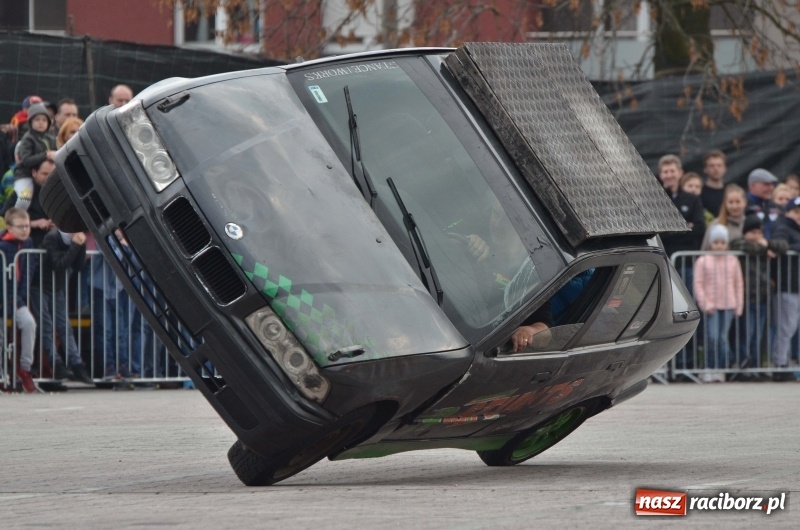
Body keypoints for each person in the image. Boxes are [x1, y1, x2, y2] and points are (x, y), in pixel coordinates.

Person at [29, 228, 94, 385]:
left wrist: (81, 245)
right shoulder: (52, 238)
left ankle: (77, 365)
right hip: (40, 285)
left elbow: (77, 266)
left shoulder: (75, 239)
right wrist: (75, 246)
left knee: (65, 327)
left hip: (56, 287)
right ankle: (56, 364)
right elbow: (59, 264)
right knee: (46, 326)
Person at [729, 215, 788, 374]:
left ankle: (755, 367)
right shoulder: (738, 243)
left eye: (759, 232)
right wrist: (764, 249)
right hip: (747, 298)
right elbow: (745, 246)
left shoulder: (765, 243)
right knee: (745, 335)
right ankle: (744, 366)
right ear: (746, 232)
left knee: (758, 336)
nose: (756, 236)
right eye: (753, 232)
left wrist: (767, 244)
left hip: (763, 297)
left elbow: (783, 246)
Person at [693, 224, 743, 382]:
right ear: (710, 244)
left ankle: (720, 368)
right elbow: (698, 284)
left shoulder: (733, 260)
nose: (719, 246)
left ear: (726, 244)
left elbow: (738, 283)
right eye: (716, 242)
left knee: (723, 338)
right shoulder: (703, 261)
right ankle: (709, 367)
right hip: (711, 306)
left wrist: (739, 305)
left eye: (722, 242)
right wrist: (705, 303)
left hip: (729, 305)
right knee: (712, 338)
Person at [0, 208, 38, 392]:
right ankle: (2, 373)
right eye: (20, 226)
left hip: (16, 298)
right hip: (2, 298)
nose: (25, 230)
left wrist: (17, 300)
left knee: (29, 323)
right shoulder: (2, 246)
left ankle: (24, 369)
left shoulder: (28, 243)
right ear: (8, 227)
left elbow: (27, 275)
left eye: (27, 226)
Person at [769, 197, 800, 381]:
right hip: (787, 284)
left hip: (795, 285)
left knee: (792, 326)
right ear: (788, 212)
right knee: (786, 327)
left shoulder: (794, 229)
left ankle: (785, 362)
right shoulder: (783, 226)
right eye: (796, 211)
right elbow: (779, 246)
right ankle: (780, 364)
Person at [657, 154, 705, 257]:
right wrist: (684, 227)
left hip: (685, 260)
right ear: (661, 175)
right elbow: (657, 232)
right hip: (662, 258)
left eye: (672, 171)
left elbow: (699, 228)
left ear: (680, 173)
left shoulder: (692, 199)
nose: (669, 175)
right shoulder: (656, 200)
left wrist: (671, 229)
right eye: (666, 172)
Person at [12, 103, 56, 212]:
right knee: (24, 199)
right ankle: (16, 219)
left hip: (44, 177)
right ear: (30, 122)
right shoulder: (27, 139)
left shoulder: (51, 138)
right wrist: (45, 155)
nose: (41, 122)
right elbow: (26, 160)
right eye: (37, 119)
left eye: (44, 120)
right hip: (25, 175)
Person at [2, 158, 56, 247]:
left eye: (52, 174)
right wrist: (33, 223)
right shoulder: (23, 192)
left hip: (51, 248)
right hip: (27, 245)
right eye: (45, 174)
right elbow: (5, 215)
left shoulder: (58, 192)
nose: (48, 178)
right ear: (34, 172)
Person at [700, 184, 747, 250]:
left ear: (745, 202)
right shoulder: (715, 224)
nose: (734, 206)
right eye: (731, 202)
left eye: (738, 202)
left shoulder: (749, 223)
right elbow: (705, 250)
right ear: (725, 203)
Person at [745, 168, 781, 238]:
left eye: (772, 185)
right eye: (766, 184)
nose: (771, 188)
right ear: (752, 185)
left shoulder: (777, 208)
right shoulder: (743, 206)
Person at [701, 150, 728, 217]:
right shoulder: (699, 193)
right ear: (705, 169)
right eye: (712, 166)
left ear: (725, 169)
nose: (716, 168)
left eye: (719, 165)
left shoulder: (730, 191)